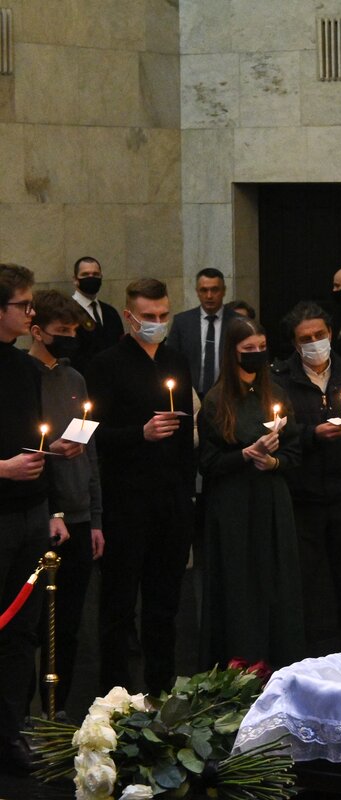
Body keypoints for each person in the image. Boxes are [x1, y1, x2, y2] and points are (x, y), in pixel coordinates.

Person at [86, 278, 195, 695]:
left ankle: (160, 689)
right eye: (149, 316)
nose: (157, 322)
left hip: (171, 500)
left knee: (165, 603)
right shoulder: (106, 364)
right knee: (118, 604)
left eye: (164, 315)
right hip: (125, 501)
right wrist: (141, 433)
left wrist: (187, 495)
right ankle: (113, 696)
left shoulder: (176, 361)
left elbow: (186, 437)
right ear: (129, 317)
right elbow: (93, 436)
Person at [0, 265, 79, 773]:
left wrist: (56, 459)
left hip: (30, 514)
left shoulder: (26, 369)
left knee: (22, 632)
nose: (30, 313)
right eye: (23, 305)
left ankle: (10, 733)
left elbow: (34, 439)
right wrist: (2, 468)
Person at [273, 301, 341, 656]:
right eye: (305, 338)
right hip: (303, 498)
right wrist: (312, 434)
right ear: (295, 344)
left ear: (331, 333)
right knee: (307, 587)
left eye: (319, 334)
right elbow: (279, 434)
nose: (314, 343)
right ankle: (308, 659)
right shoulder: (280, 380)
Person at [199, 317, 305, 668]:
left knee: (276, 582)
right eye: (248, 349)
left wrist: (274, 462)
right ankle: (239, 666)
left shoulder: (276, 394)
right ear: (233, 352)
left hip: (271, 500)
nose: (257, 354)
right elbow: (208, 463)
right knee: (239, 585)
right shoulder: (216, 400)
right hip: (233, 504)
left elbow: (295, 451)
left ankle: (280, 662)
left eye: (261, 348)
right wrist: (245, 454)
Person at [28, 290, 104, 714]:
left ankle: (57, 713)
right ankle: (23, 717)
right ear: (38, 331)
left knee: (69, 626)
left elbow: (89, 453)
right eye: (62, 332)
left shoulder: (75, 379)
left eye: (74, 331)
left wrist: (95, 518)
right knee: (32, 626)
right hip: (39, 514)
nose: (70, 339)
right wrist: (50, 451)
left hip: (78, 513)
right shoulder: (23, 377)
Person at [166, 268, 238, 398]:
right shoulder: (182, 322)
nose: (209, 296)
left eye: (215, 290)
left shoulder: (238, 322)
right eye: (204, 290)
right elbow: (170, 360)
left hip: (229, 395)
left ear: (224, 291)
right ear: (197, 292)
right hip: (190, 395)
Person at [69, 256, 123, 374]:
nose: (91, 278)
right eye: (85, 274)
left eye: (95, 274)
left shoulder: (111, 312)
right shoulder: (67, 312)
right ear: (75, 279)